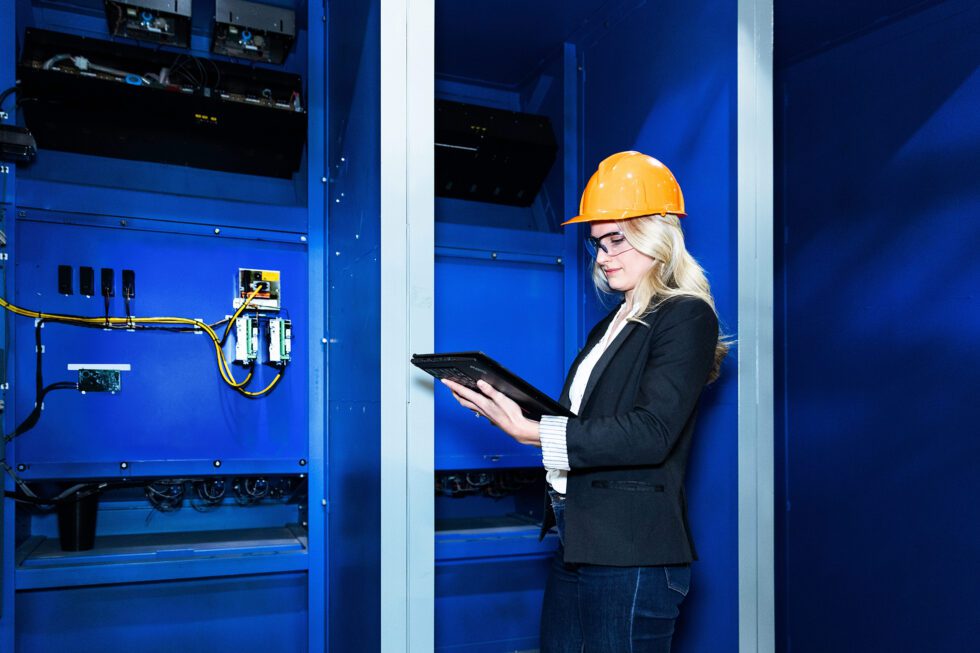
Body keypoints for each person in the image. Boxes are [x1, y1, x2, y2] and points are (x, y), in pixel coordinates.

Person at [442, 151, 728, 652]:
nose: (603, 256)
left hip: (633, 554)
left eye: (617, 240)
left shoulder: (686, 315)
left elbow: (649, 433)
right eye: (598, 243)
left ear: (657, 236)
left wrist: (532, 432)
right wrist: (506, 409)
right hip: (578, 542)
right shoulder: (610, 324)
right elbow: (587, 427)